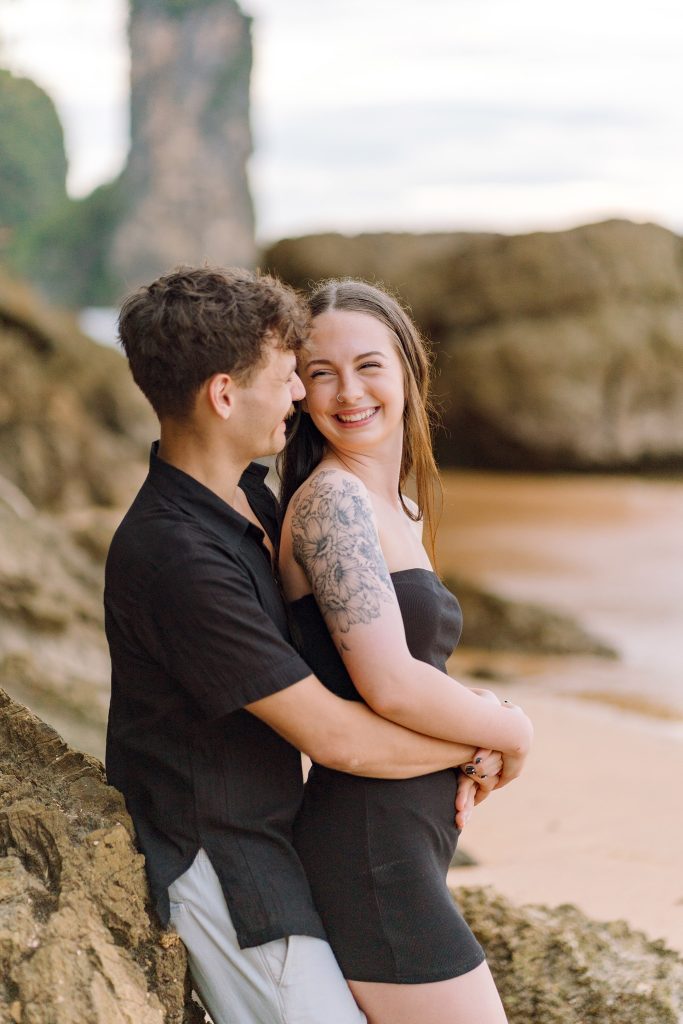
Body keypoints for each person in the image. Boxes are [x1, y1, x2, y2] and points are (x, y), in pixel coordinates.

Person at [104, 266, 500, 1024]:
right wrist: (489, 735)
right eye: (295, 375)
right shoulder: (175, 554)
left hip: (280, 841)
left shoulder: (249, 502)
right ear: (225, 395)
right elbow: (333, 735)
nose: (301, 395)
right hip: (224, 869)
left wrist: (475, 731)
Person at [277, 278, 534, 1024]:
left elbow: (418, 679)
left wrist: (472, 731)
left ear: (408, 370)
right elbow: (388, 683)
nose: (346, 391)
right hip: (368, 852)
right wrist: (508, 726)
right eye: (319, 372)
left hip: (403, 847)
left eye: (368, 365)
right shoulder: (332, 503)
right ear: (297, 391)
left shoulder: (398, 505)